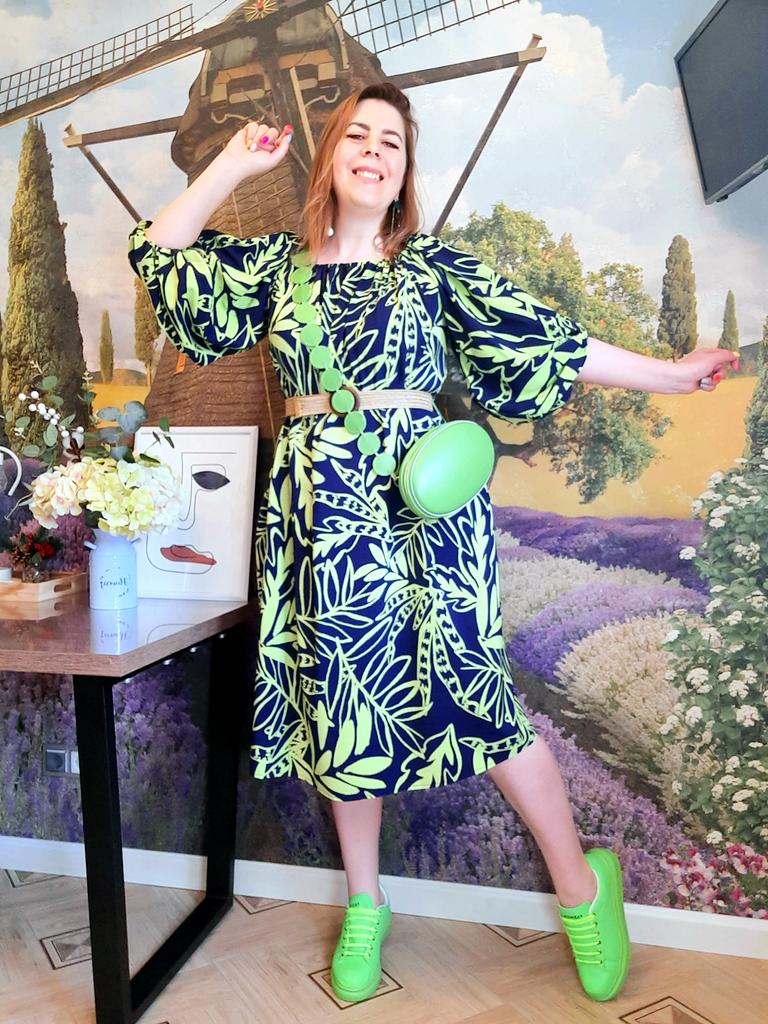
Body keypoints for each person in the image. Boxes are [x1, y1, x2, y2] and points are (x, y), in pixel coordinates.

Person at [128, 82, 739, 1006]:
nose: (375, 150)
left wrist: (672, 376)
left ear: (406, 170)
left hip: (426, 511)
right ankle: (365, 903)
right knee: (344, 704)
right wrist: (232, 164)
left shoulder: (432, 268)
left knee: (481, 697)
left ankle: (583, 888)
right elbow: (162, 254)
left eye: (393, 141)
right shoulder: (273, 268)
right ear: (330, 155)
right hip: (321, 518)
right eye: (358, 135)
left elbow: (551, 343)